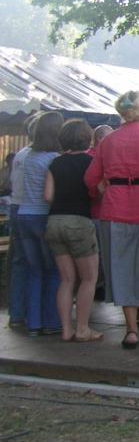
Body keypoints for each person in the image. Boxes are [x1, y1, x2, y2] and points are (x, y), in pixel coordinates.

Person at [85, 91, 139, 348]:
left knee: (121, 269)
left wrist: (102, 191)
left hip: (114, 207)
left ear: (121, 110)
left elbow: (90, 178)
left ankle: (130, 329)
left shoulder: (108, 141)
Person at [44, 119, 102, 342]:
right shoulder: (90, 161)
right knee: (88, 279)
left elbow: (48, 196)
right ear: (87, 139)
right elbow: (97, 190)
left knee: (67, 280)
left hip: (54, 221)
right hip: (79, 221)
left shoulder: (55, 163)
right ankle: (83, 328)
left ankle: (66, 329)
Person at [19, 111, 64, 336]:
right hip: (43, 215)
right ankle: (51, 321)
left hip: (24, 214)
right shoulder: (54, 160)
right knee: (53, 271)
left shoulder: (29, 156)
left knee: (33, 270)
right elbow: (50, 194)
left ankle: (33, 322)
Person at [6, 113, 41, 332]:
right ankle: (34, 314)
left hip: (16, 207)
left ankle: (17, 312)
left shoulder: (21, 153)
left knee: (19, 263)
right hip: (33, 210)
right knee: (39, 265)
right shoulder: (41, 156)